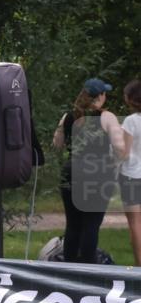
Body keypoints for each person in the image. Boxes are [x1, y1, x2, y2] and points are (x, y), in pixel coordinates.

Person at [52, 77, 128, 264]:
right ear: (100, 96)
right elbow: (120, 148)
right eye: (105, 94)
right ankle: (88, 268)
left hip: (71, 171)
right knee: (91, 224)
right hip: (98, 172)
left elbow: (57, 144)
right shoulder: (107, 117)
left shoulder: (69, 116)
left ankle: (68, 268)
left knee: (73, 224)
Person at [119, 79, 141, 265]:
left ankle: (139, 266)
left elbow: (124, 153)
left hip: (131, 176)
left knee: (135, 224)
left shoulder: (130, 121)